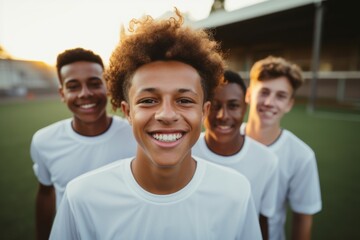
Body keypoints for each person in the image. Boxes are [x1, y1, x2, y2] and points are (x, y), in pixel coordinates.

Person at [50, 9, 262, 240]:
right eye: (149, 100)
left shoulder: (236, 192)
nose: (167, 114)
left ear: (204, 112)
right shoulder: (81, 197)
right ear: (128, 112)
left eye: (184, 100)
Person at [30, 48, 137, 240]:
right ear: (62, 93)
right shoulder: (44, 140)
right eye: (73, 86)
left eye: (94, 83)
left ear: (108, 87)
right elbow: (46, 193)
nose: (85, 93)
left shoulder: (135, 135)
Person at [242, 56, 322, 240]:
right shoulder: (223, 140)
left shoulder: (302, 156)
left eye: (281, 96)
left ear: (289, 104)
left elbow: (303, 217)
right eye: (264, 92)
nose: (269, 102)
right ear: (248, 95)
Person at [192, 69, 279, 239]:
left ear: (245, 107)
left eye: (233, 106)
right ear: (204, 108)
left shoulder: (267, 161)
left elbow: (262, 220)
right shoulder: (184, 153)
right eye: (215, 106)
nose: (223, 115)